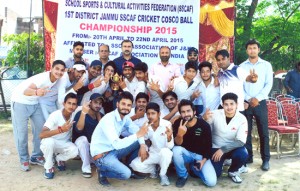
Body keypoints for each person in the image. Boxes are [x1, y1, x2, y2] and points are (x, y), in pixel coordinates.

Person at [11, 60, 66, 172]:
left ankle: (36, 156)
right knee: (21, 133)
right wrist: (36, 92)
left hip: (34, 103)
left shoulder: (58, 80)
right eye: (57, 69)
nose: (59, 72)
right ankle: (24, 160)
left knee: (41, 131)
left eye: (62, 70)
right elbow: (26, 91)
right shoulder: (43, 78)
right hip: (20, 101)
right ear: (51, 68)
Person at [90, 91, 149, 186]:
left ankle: (129, 166)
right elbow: (117, 143)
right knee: (126, 174)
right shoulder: (108, 119)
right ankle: (102, 172)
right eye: (123, 104)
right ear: (117, 104)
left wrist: (142, 145)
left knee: (139, 142)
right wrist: (138, 135)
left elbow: (136, 130)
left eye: (129, 105)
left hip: (113, 150)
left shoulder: (125, 118)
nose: (126, 107)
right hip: (102, 156)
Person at [240, 39, 273, 171]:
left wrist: (257, 98)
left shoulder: (266, 65)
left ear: (258, 49)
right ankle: (248, 157)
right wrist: (248, 98)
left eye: (254, 48)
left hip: (260, 102)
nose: (252, 50)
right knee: (246, 132)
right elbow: (240, 85)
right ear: (246, 50)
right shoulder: (242, 66)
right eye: (249, 48)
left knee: (263, 131)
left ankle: (265, 160)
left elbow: (268, 84)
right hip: (246, 103)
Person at [203, 93, 248, 183]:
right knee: (216, 174)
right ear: (222, 105)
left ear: (237, 105)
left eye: (232, 104)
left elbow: (241, 141)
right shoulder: (215, 113)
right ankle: (223, 161)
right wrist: (204, 119)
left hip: (232, 148)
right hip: (216, 147)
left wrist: (223, 150)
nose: (229, 107)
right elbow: (204, 129)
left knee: (243, 153)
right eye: (226, 104)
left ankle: (233, 171)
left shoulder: (242, 118)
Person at [172, 99, 216, 188]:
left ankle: (193, 168)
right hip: (186, 154)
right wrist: (180, 135)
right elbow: (177, 144)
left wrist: (203, 161)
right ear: (180, 114)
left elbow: (209, 146)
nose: (186, 114)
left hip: (200, 156)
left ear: (194, 112)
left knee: (211, 182)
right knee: (176, 150)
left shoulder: (204, 125)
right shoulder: (178, 124)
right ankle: (183, 175)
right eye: (183, 112)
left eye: (188, 111)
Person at [130, 102, 174, 186]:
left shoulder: (167, 124)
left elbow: (170, 147)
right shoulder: (146, 125)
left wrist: (169, 138)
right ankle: (154, 170)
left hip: (165, 155)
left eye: (153, 113)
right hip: (153, 153)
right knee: (135, 164)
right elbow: (142, 137)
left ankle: (163, 175)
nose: (150, 116)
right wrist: (143, 147)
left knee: (166, 152)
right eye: (148, 114)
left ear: (159, 114)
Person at [40, 93, 79, 179]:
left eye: (74, 104)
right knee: (48, 142)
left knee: (75, 151)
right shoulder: (55, 115)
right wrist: (60, 130)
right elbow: (42, 134)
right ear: (64, 104)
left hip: (64, 143)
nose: (71, 106)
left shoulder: (74, 114)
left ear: (76, 106)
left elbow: (86, 107)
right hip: (51, 142)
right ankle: (49, 167)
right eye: (69, 103)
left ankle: (59, 159)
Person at [72, 93, 104, 178]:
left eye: (100, 103)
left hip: (93, 148)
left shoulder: (101, 116)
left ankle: (93, 161)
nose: (98, 105)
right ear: (90, 103)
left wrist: (98, 117)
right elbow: (79, 129)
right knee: (83, 139)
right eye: (95, 102)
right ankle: (86, 167)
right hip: (80, 145)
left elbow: (104, 133)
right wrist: (83, 112)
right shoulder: (81, 113)